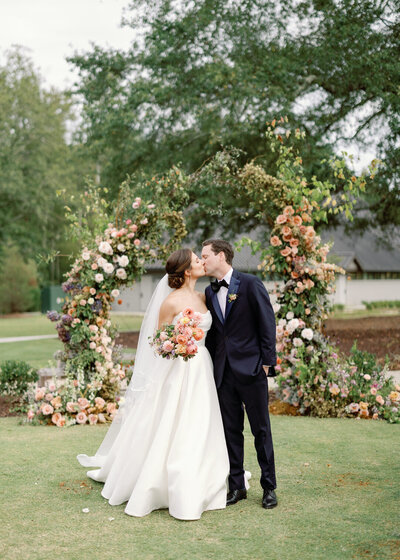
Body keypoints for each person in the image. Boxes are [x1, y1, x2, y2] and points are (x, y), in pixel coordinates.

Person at [77, 249, 229, 520]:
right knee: (170, 421)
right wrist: (178, 343)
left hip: (201, 368)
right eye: (197, 260)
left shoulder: (203, 296)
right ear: (185, 270)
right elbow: (158, 343)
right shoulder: (170, 302)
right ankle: (159, 479)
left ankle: (203, 471)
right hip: (177, 369)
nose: (201, 262)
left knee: (199, 422)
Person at [201, 239, 278, 509]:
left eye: (205, 256)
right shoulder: (209, 292)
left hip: (252, 369)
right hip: (223, 373)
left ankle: (269, 487)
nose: (202, 261)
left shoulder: (250, 283)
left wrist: (267, 364)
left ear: (221, 256)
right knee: (231, 431)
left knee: (261, 430)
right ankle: (237, 487)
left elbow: (267, 323)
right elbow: (213, 336)